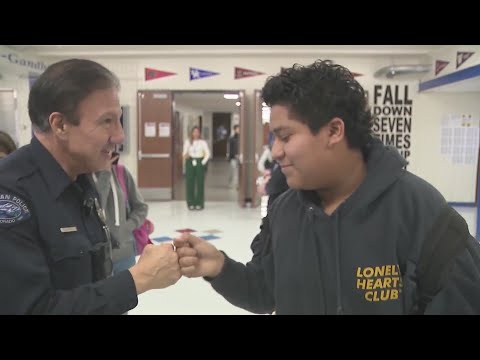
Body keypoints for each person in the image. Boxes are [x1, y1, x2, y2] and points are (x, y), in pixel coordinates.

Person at [174, 59, 480, 315]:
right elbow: (265, 293)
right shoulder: (284, 211)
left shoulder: (421, 212)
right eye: (273, 139)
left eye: (285, 136)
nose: (276, 151)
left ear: (334, 131)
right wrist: (219, 267)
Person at [0, 58, 181, 314]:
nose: (120, 136)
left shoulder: (82, 180)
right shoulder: (11, 194)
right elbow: (32, 308)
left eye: (118, 119)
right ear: (60, 125)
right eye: (106, 121)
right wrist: (138, 279)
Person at [89, 152, 148, 275]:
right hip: (98, 257)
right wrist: (105, 174)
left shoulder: (121, 172)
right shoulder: (83, 176)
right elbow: (96, 207)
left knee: (128, 293)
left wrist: (127, 226)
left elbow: (141, 207)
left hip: (125, 254)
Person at [183, 126, 210, 210]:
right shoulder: (188, 142)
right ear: (191, 133)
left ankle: (199, 203)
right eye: (194, 132)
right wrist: (185, 155)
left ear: (199, 133)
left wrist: (202, 162)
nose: (195, 133)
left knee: (200, 182)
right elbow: (184, 153)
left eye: (197, 132)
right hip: (190, 162)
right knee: (190, 182)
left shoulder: (203, 142)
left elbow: (208, 153)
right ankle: (190, 203)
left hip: (199, 161)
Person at [227, 124, 240, 189]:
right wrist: (231, 155)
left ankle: (236, 185)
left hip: (240, 157)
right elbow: (229, 149)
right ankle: (231, 183)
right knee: (233, 171)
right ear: (234, 130)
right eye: (237, 129)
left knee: (237, 171)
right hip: (233, 157)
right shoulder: (231, 139)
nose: (238, 130)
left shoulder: (242, 138)